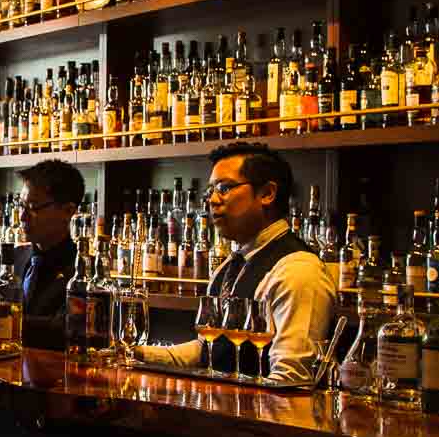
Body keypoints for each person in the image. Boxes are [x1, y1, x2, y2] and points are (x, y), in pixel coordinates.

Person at [139, 141, 335, 386]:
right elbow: (207, 350)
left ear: (267, 194)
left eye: (224, 188)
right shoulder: (230, 265)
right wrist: (137, 354)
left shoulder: (298, 270)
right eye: (210, 191)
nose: (212, 200)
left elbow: (290, 381)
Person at [0, 158, 82, 349]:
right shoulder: (12, 258)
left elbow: (64, 330)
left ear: (67, 211)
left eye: (33, 208)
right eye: (21, 206)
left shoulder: (82, 272)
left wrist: (1, 320)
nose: (22, 216)